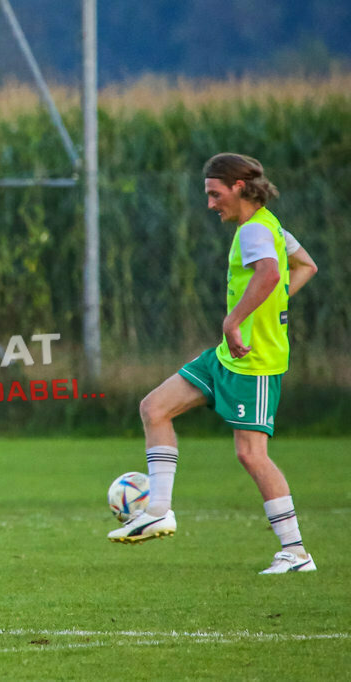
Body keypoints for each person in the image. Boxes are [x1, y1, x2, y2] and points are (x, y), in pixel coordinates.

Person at [108, 153, 320, 575]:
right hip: (226, 357)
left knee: (251, 455)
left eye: (214, 193)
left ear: (239, 186)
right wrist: (266, 308)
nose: (210, 203)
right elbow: (305, 266)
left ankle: (295, 553)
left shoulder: (256, 230)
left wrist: (235, 319)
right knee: (154, 408)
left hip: (254, 362)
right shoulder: (267, 226)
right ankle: (159, 511)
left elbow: (271, 273)